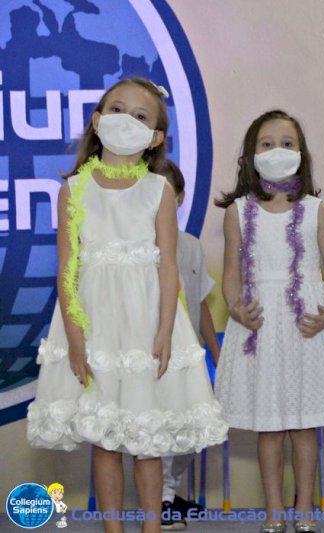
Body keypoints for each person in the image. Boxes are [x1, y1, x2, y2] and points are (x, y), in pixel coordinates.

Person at [26, 78, 228, 533]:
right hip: (96, 326)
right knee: (106, 438)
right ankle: (113, 528)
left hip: (147, 324)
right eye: (117, 109)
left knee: (148, 438)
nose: (126, 121)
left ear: (156, 137)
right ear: (97, 121)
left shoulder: (158, 191)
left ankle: (151, 527)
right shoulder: (73, 190)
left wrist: (164, 330)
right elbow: (67, 269)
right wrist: (76, 337)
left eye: (141, 116)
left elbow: (169, 267)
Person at [213, 110, 324, 533]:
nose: (278, 151)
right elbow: (231, 275)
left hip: (306, 325)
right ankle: (274, 509)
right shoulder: (237, 212)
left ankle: (304, 507)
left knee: (305, 424)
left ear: (302, 153)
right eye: (267, 143)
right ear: (251, 156)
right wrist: (236, 307)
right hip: (259, 327)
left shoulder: (318, 211)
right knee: (270, 426)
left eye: (288, 143)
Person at [156, 160, 223, 530]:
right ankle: (162, 499)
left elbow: (199, 302)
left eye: (169, 192)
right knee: (161, 428)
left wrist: (216, 352)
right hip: (154, 355)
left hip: (190, 356)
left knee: (194, 429)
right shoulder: (139, 247)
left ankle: (168, 491)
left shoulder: (191, 246)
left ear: (180, 198)